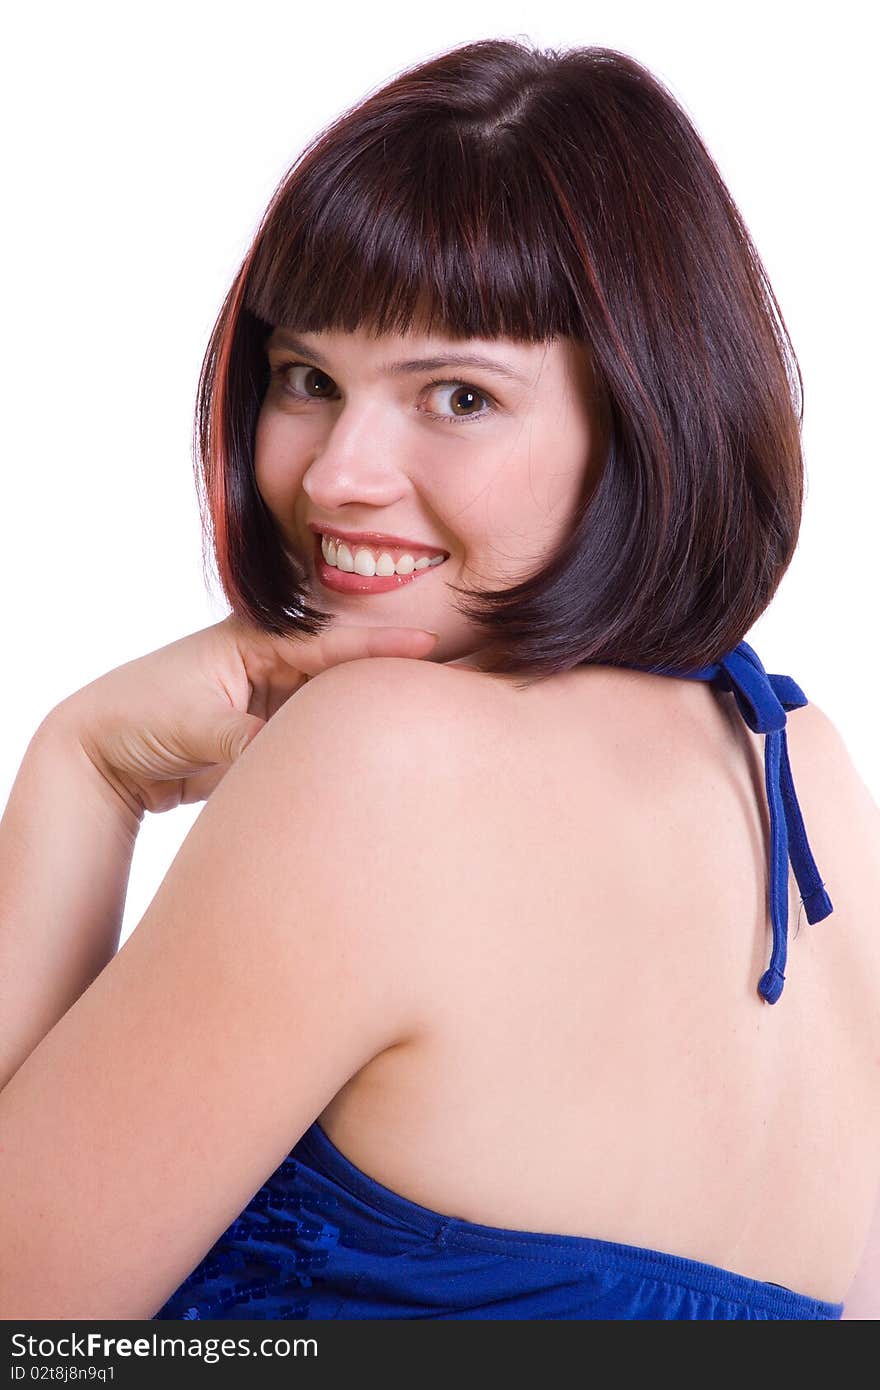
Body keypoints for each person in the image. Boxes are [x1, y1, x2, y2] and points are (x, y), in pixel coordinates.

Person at [0, 37, 877, 1322]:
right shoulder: (801, 771)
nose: (333, 472)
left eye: (457, 395)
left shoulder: (380, 758)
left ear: (644, 420)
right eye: (307, 378)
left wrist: (79, 766)